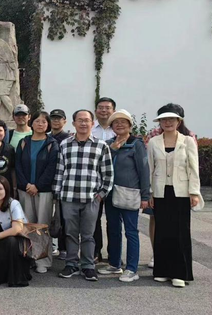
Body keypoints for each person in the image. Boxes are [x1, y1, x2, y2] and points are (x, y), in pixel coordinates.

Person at [54, 109, 113, 281]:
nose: (83, 123)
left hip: (91, 198)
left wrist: (101, 194)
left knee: (88, 235)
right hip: (68, 197)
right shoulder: (65, 145)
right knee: (70, 233)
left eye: (86, 120)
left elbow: (108, 174)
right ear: (74, 123)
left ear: (92, 123)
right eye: (79, 120)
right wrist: (58, 193)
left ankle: (88, 266)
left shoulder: (101, 146)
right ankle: (71, 264)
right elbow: (60, 171)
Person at [148, 105, 201, 288]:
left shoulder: (187, 141)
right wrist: (150, 192)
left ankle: (180, 273)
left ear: (179, 122)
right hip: (160, 191)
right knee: (162, 231)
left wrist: (194, 192)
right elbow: (150, 168)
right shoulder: (153, 142)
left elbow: (193, 168)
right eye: (164, 120)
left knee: (180, 232)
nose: (168, 122)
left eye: (171, 119)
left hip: (181, 191)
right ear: (160, 123)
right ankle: (162, 270)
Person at [99, 110, 149, 283]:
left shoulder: (136, 144)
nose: (119, 125)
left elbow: (144, 170)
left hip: (130, 193)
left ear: (130, 125)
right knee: (112, 229)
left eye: (124, 122)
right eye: (116, 122)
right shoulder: (108, 144)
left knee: (131, 231)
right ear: (111, 126)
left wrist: (145, 195)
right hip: (110, 193)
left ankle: (132, 269)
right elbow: (101, 165)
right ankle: (114, 263)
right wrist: (113, 150)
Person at [15, 111, 59, 274]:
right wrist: (26, 184)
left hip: (44, 191)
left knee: (42, 225)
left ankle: (42, 260)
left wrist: (38, 186)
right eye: (37, 121)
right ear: (31, 123)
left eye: (44, 122)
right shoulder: (24, 142)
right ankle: (28, 257)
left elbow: (51, 168)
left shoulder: (52, 144)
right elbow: (18, 165)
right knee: (27, 225)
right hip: (25, 189)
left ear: (48, 125)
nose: (40, 124)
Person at [0, 175, 30, 287]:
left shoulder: (14, 204)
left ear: (6, 190)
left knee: (11, 241)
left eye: (0, 188)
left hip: (17, 243)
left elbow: (17, 229)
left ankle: (17, 278)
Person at [91, 97, 116, 262]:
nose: (104, 110)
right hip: (95, 182)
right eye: (101, 107)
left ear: (113, 111)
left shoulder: (119, 129)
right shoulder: (90, 129)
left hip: (115, 181)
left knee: (113, 221)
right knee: (94, 220)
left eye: (107, 108)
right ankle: (95, 252)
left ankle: (114, 255)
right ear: (96, 111)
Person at [49, 108, 69, 259]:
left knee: (63, 217)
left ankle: (64, 248)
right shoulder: (46, 137)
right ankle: (49, 246)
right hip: (47, 181)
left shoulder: (67, 139)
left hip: (62, 182)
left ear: (65, 121)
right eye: (53, 118)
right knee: (47, 217)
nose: (56, 121)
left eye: (59, 118)